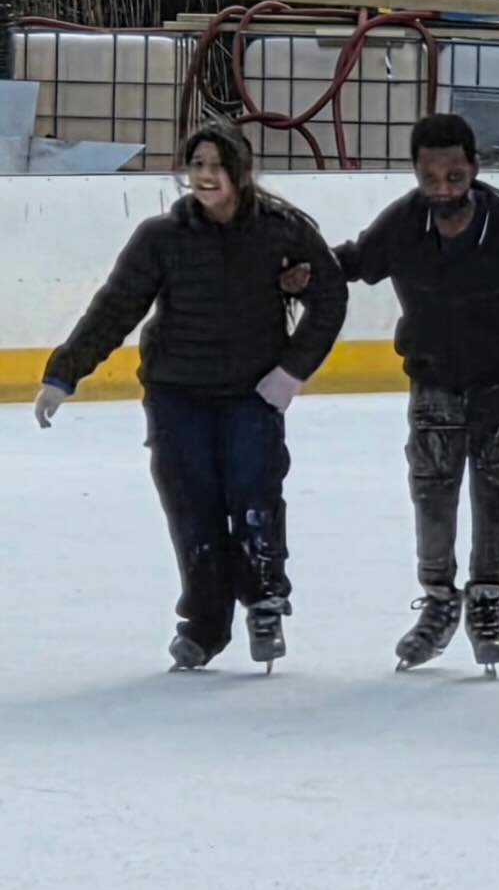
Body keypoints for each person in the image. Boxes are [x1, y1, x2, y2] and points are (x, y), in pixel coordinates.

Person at [33, 121, 348, 672]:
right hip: (177, 395)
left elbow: (331, 296)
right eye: (196, 165)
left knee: (253, 495)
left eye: (216, 166)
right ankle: (204, 626)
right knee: (192, 510)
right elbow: (116, 308)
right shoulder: (162, 237)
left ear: (240, 172)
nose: (205, 177)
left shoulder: (282, 232)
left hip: (252, 395)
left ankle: (265, 602)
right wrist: (64, 373)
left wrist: (291, 372)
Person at [328, 113, 499, 674]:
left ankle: (486, 601)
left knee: (495, 481)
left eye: (454, 176)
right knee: (432, 486)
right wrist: (301, 272)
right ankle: (437, 600)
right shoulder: (404, 224)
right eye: (432, 178)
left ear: (474, 169)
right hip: (433, 371)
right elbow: (355, 261)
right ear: (417, 175)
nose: (444, 189)